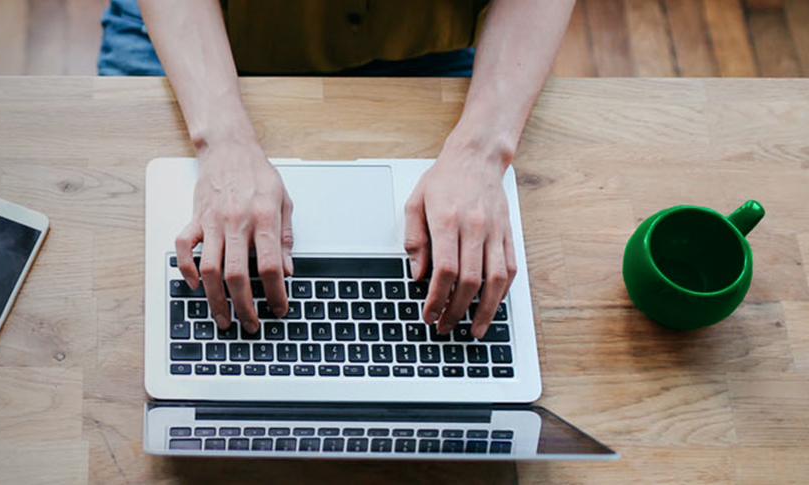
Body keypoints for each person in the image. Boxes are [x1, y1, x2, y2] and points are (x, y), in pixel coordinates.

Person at [101, 0, 573, 339]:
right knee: (120, 293)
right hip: (207, 27)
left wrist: (483, 150)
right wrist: (221, 140)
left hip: (425, 43)